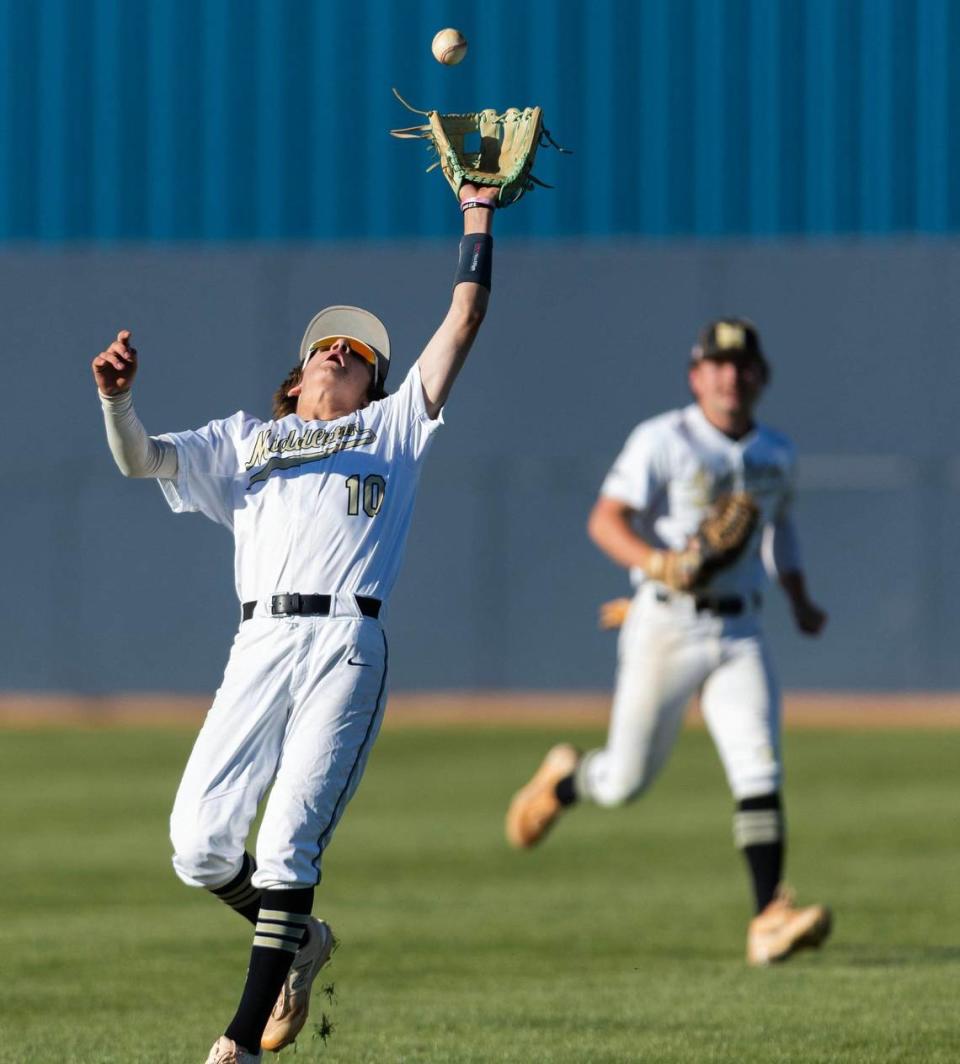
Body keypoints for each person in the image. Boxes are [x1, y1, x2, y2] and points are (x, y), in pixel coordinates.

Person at [92, 184, 500, 1063]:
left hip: (347, 642)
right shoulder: (246, 440)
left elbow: (463, 321)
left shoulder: (391, 429)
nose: (340, 355)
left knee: (285, 844)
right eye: (327, 346)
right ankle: (301, 941)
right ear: (296, 373)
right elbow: (141, 462)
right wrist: (117, 403)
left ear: (373, 385)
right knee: (198, 847)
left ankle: (238, 1039)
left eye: (357, 355)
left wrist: (477, 215)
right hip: (260, 643)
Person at [505, 318, 832, 966]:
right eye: (717, 364)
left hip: (740, 627)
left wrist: (797, 595)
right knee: (625, 782)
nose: (730, 375)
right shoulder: (665, 438)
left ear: (761, 377)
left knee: (758, 766)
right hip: (666, 623)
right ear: (696, 375)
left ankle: (768, 917)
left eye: (742, 365)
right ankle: (566, 782)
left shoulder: (777, 452)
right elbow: (606, 520)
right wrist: (657, 565)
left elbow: (778, 528)